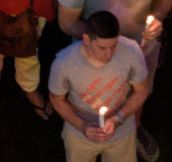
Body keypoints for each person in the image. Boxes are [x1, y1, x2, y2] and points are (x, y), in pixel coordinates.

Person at [56, 0, 172, 160]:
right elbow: (67, 22)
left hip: (142, 45)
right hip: (94, 47)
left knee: (139, 89)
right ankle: (82, 129)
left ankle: (134, 126)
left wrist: (159, 16)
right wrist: (104, 41)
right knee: (94, 92)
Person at [48, 10, 150, 162]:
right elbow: (56, 99)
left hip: (121, 133)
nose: (109, 55)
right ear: (86, 39)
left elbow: (142, 91)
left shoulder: (131, 51)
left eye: (114, 46)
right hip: (80, 135)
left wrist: (117, 118)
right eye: (102, 48)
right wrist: (83, 127)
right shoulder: (64, 63)